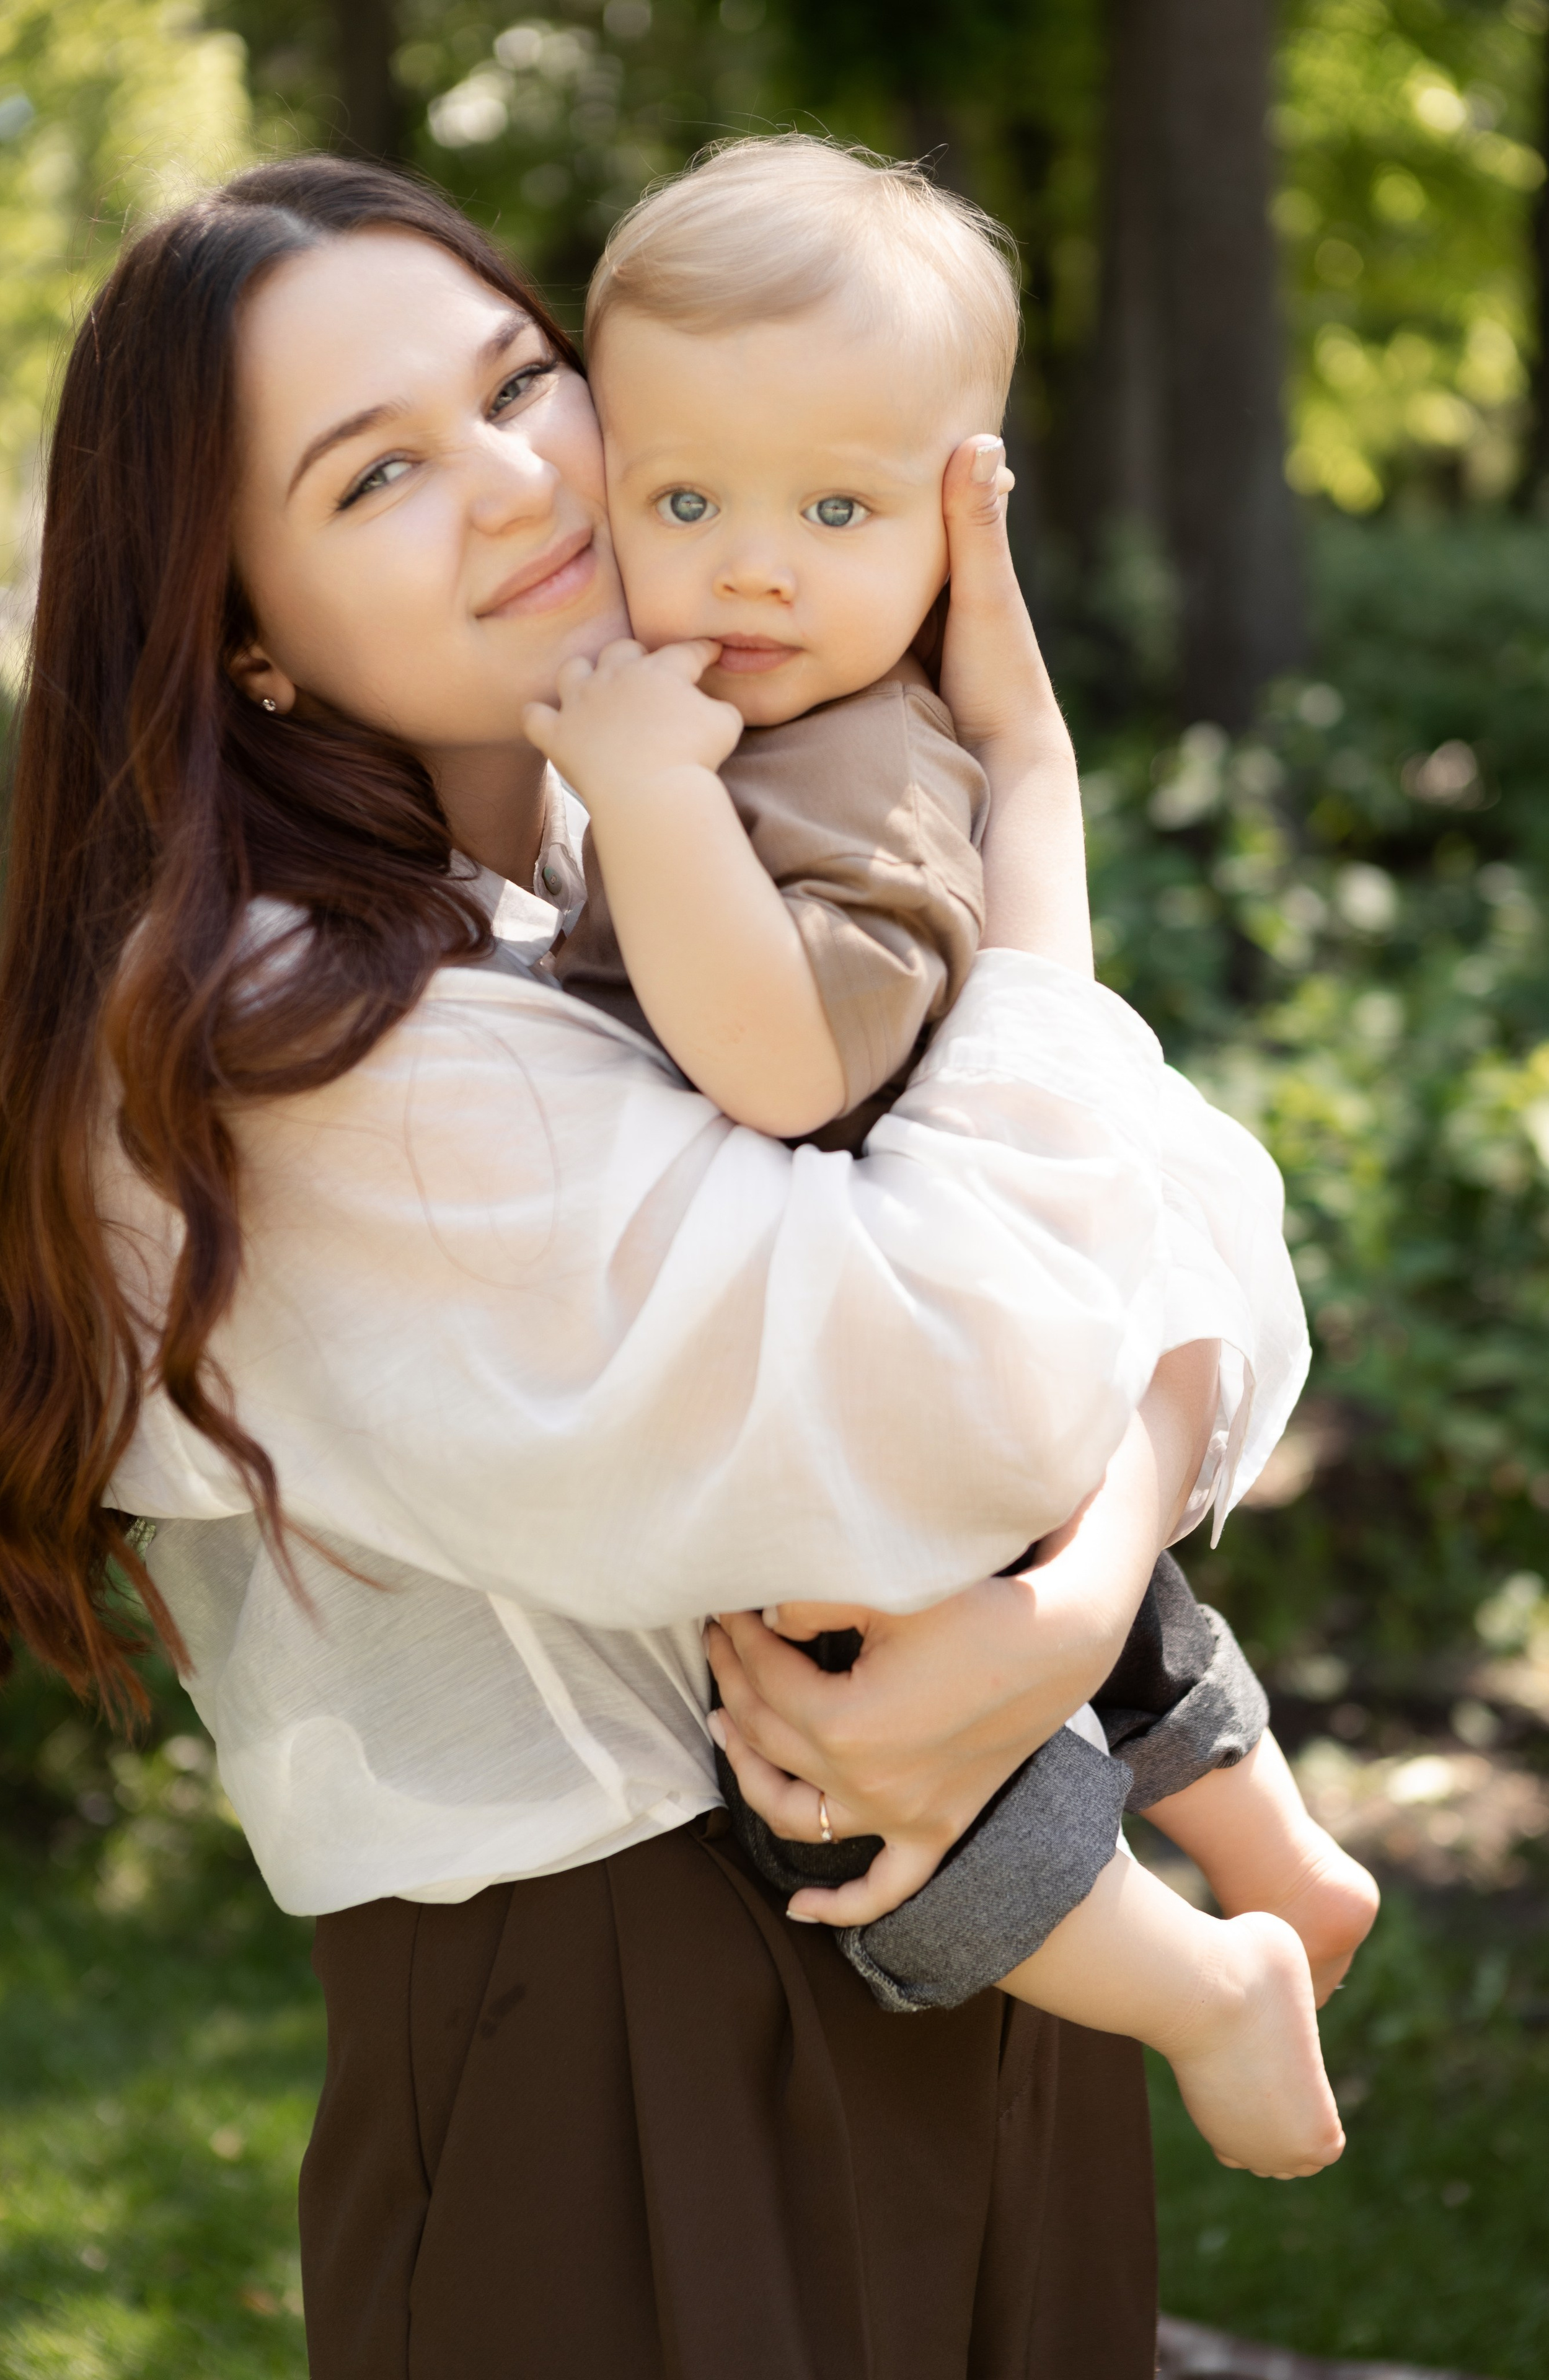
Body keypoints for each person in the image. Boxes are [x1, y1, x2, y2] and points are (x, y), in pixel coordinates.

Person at [0, 155, 1304, 2378]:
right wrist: (1030, 795)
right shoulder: (273, 1043)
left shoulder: (663, 824)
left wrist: (1075, 1601)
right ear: (242, 632)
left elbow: (1207, 1215)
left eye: (521, 383)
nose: (519, 481)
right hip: (622, 2040)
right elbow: (962, 1390)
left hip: (992, 1926)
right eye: (378, 472)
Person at [536, 134, 1374, 2177]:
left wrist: (647, 801)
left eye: (836, 510)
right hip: (969, 1354)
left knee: (835, 1776)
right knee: (1093, 1610)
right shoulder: (779, 735)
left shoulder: (856, 775)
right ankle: (1279, 1849)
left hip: (899, 1395)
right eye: (684, 502)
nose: (753, 567)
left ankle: (1207, 1982)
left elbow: (781, 1063)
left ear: (954, 526)